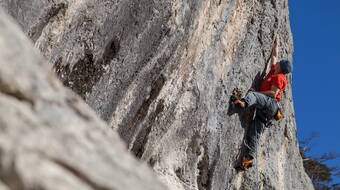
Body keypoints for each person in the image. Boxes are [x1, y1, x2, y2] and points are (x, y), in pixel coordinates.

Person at [232, 37, 293, 170]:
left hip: (271, 104)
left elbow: (273, 94)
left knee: (253, 94)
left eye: (279, 63)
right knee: (254, 133)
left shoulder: (279, 77)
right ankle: (248, 160)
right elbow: (274, 56)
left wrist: (257, 93)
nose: (276, 63)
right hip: (266, 111)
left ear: (281, 67)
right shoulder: (273, 71)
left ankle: (243, 103)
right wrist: (276, 43)